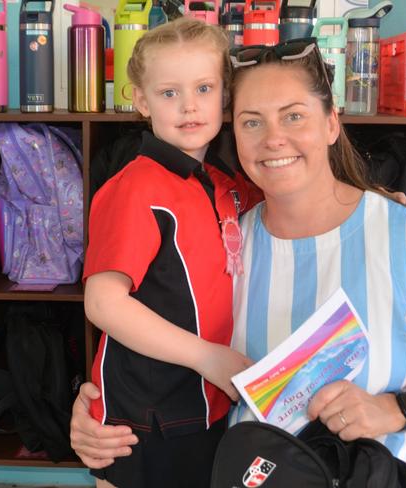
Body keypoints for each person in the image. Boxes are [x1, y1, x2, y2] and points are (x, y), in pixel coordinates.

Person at [72, 38, 406, 487]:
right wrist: (98, 408)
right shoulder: (230, 230)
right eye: (253, 122)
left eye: (294, 116)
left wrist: (392, 409)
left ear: (332, 123)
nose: (274, 139)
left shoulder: (403, 237)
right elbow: (161, 316)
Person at [81, 17, 262, 488]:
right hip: (144, 413)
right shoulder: (136, 186)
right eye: (168, 93)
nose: (188, 106)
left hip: (209, 401)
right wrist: (206, 357)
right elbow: (103, 302)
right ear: (141, 100)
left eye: (204, 88)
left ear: (225, 94)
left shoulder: (227, 185)